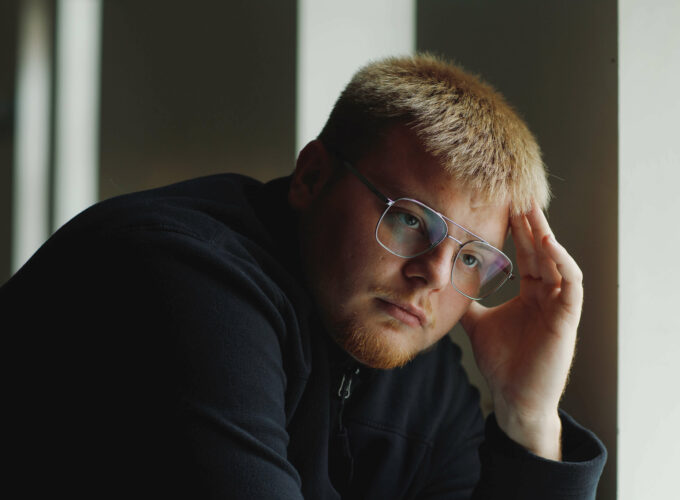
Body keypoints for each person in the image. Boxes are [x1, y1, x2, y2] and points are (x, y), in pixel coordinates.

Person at [2, 54, 605, 499]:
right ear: (312, 177)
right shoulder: (182, 277)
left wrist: (527, 419)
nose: (433, 277)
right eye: (410, 220)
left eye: (471, 258)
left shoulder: (425, 378)